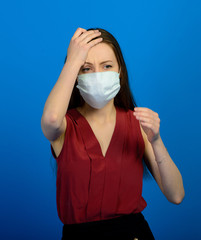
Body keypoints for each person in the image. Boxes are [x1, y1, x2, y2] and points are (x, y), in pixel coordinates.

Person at [41, 27, 185, 240]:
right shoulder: (65, 126)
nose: (98, 75)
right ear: (75, 75)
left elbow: (176, 195)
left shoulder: (137, 124)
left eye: (107, 66)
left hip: (133, 233)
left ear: (120, 72)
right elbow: (51, 119)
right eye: (86, 68)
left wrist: (156, 140)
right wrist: (73, 59)